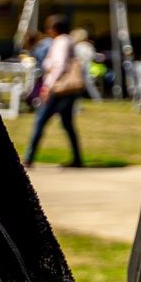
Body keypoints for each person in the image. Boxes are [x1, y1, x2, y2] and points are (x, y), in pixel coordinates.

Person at [22, 14, 84, 167]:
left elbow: (59, 65)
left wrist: (47, 86)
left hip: (58, 89)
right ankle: (77, 158)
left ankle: (29, 157)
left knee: (40, 121)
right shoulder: (69, 40)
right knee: (68, 124)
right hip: (67, 90)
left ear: (54, 29)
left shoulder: (60, 42)